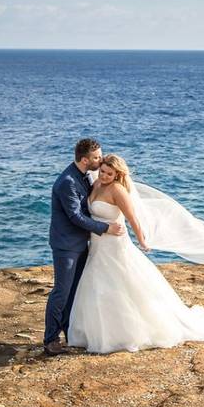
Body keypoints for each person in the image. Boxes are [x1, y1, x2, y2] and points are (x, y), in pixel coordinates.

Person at [66, 154, 204, 354]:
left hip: (115, 244)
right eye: (102, 171)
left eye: (109, 174)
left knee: (120, 283)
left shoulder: (118, 190)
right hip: (98, 244)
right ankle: (93, 332)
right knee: (97, 284)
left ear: (117, 174)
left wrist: (142, 240)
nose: (104, 176)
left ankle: (125, 333)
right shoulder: (96, 185)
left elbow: (133, 219)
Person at [43, 138, 126, 356]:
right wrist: (105, 228)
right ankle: (51, 339)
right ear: (84, 159)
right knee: (61, 291)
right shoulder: (67, 182)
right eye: (97, 157)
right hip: (66, 246)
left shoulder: (85, 176)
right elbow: (75, 216)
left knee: (76, 291)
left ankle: (71, 334)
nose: (101, 160)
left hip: (83, 243)